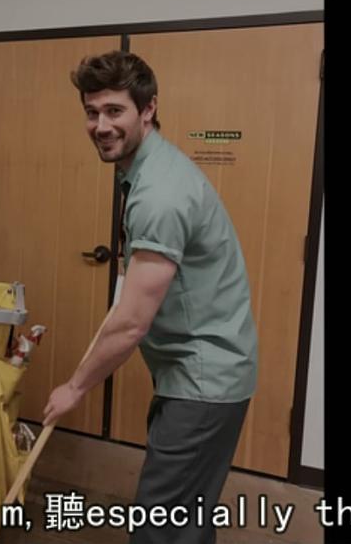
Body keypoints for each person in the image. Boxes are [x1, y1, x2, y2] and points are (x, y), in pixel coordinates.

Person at [43, 50, 259, 543]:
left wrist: (74, 388)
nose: (101, 126)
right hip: (202, 373)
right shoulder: (145, 168)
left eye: (114, 110)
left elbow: (131, 324)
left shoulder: (160, 193)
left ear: (148, 109)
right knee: (185, 522)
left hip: (203, 379)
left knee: (160, 528)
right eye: (92, 112)